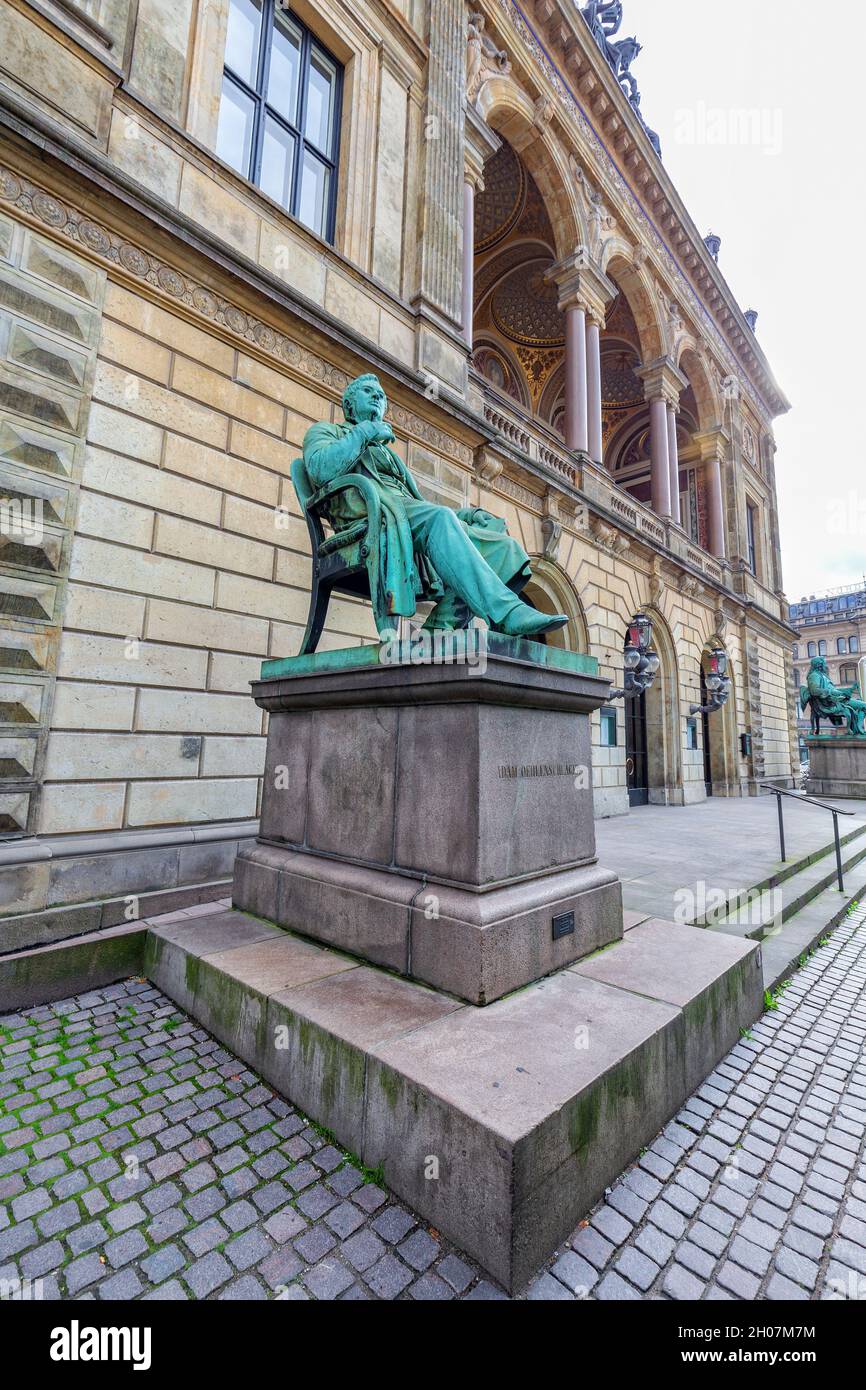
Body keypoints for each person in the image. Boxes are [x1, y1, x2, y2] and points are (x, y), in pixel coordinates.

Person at [302, 374, 567, 639]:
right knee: (440, 518)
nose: (377, 397)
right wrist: (367, 431)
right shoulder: (327, 432)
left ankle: (441, 623)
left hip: (403, 514)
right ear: (349, 406)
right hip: (373, 518)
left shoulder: (389, 454)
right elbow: (320, 470)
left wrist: (469, 514)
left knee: (498, 537)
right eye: (369, 392)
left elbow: (420, 506)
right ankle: (508, 614)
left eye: (381, 396)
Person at [804, 656, 866, 736]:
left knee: (862, 704)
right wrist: (833, 694)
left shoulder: (823, 676)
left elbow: (833, 690)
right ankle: (859, 728)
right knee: (864, 706)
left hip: (837, 699)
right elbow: (814, 691)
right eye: (824, 663)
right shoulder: (814, 676)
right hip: (830, 702)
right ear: (819, 665)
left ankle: (858, 727)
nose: (825, 665)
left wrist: (848, 690)